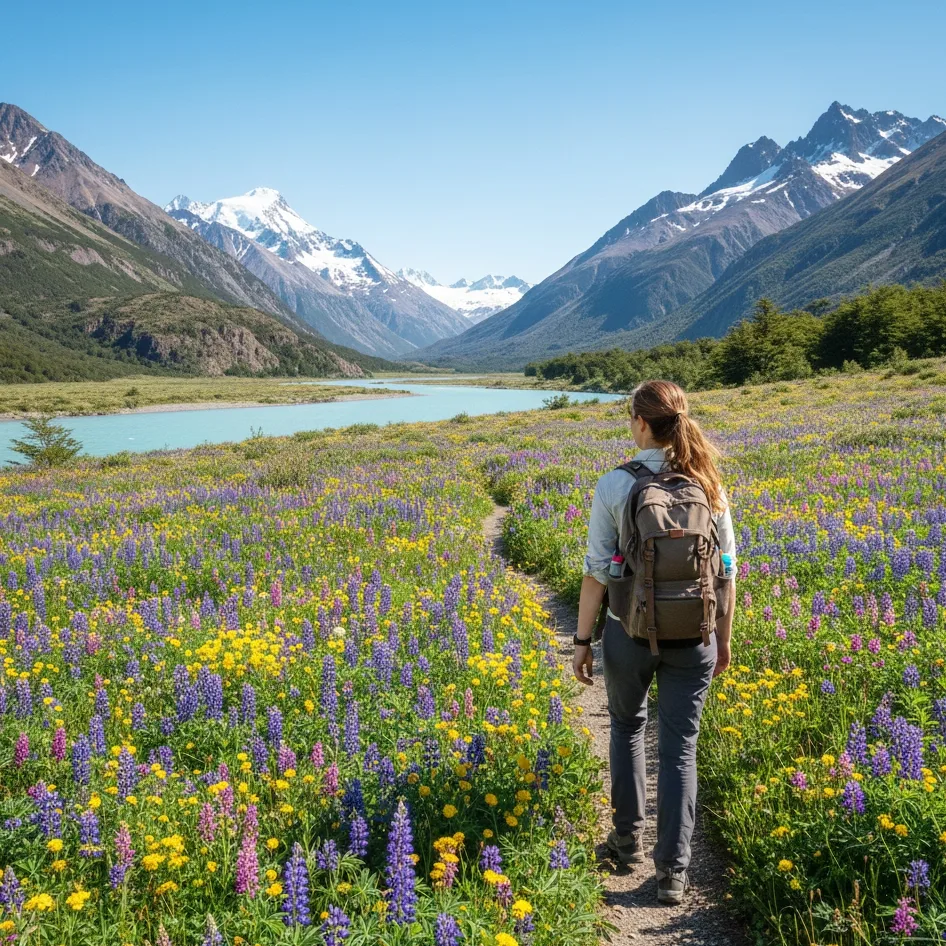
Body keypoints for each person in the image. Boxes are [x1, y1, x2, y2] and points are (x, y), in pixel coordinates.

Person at [572, 379, 736, 905]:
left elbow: (597, 572)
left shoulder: (615, 485)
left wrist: (581, 641)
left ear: (641, 423)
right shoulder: (709, 483)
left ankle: (626, 843)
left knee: (625, 727)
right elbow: (728, 572)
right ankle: (673, 873)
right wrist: (723, 639)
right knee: (680, 749)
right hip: (697, 635)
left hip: (628, 631)